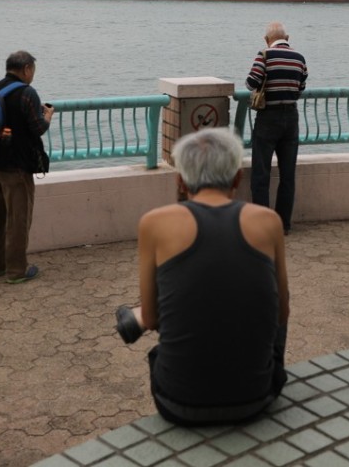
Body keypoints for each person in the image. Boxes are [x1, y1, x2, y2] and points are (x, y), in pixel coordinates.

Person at [116, 128, 290, 425]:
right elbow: (282, 312)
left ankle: (133, 316)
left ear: (180, 182)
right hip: (256, 397)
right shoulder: (269, 221)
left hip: (177, 403)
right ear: (237, 178)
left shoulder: (153, 223)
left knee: (144, 317)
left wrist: (143, 316)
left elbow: (155, 319)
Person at [0, 50, 54, 284]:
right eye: (32, 70)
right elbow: (37, 128)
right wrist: (48, 116)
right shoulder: (26, 93)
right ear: (26, 69)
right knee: (18, 220)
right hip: (16, 167)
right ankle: (16, 271)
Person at [245, 21, 308, 235]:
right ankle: (283, 225)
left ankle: (263, 226)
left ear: (266, 39)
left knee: (261, 173)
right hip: (291, 117)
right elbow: (301, 87)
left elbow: (251, 83)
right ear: (287, 38)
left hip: (268, 119)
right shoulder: (300, 58)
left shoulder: (264, 55)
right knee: (287, 175)